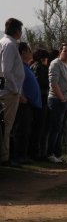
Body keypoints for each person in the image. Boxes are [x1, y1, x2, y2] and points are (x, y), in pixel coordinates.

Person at [0, 18, 25, 167]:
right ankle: (5, 157)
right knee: (7, 126)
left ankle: (5, 155)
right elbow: (7, 70)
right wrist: (15, 89)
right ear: (17, 31)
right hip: (8, 92)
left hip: (5, 89)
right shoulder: (9, 45)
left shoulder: (3, 42)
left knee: (5, 127)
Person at [12, 43, 42, 164]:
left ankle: (24, 155)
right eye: (29, 51)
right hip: (23, 103)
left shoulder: (26, 66)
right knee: (21, 131)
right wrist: (20, 96)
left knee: (26, 131)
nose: (31, 53)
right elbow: (15, 82)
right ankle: (18, 156)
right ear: (23, 52)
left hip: (30, 104)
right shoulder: (19, 67)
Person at [47, 43, 67, 163]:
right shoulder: (55, 64)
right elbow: (54, 83)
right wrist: (62, 98)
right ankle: (50, 153)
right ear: (60, 51)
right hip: (57, 100)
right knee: (55, 127)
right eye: (65, 51)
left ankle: (58, 154)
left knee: (62, 129)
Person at [29, 48, 50, 160]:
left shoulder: (32, 66)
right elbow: (42, 82)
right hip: (41, 99)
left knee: (36, 127)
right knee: (39, 127)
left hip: (37, 99)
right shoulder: (40, 67)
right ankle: (36, 153)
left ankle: (34, 152)